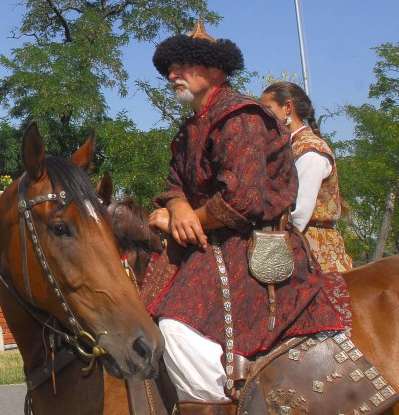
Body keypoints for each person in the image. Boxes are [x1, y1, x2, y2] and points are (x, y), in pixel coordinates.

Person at [142, 21, 342, 411]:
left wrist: (187, 219)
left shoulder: (241, 117)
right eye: (170, 66)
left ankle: (218, 406)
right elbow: (173, 184)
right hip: (208, 244)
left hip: (250, 246)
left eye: (183, 65)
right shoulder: (189, 129)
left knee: (177, 326)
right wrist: (177, 207)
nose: (172, 74)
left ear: (215, 71)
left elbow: (245, 200)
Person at [260, 81, 354, 272]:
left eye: (267, 108)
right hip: (294, 240)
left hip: (313, 251)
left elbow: (298, 214)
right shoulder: (286, 148)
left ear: (288, 107)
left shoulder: (311, 151)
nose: (263, 116)